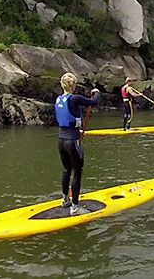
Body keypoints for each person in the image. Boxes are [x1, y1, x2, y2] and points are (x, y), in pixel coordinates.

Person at [55, 73, 100, 216]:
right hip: (72, 141)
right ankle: (74, 207)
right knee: (77, 173)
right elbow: (94, 102)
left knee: (66, 170)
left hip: (61, 140)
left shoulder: (58, 99)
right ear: (73, 85)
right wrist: (96, 92)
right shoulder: (74, 98)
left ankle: (65, 200)